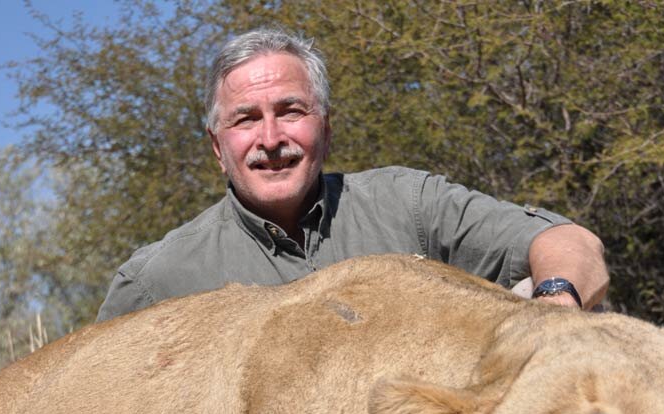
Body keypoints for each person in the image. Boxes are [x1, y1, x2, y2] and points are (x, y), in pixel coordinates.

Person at [96, 28, 609, 322]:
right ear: (217, 146)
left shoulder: (409, 204)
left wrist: (556, 309)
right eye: (246, 118)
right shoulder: (154, 283)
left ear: (326, 128)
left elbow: (569, 240)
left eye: (291, 111)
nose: (271, 138)